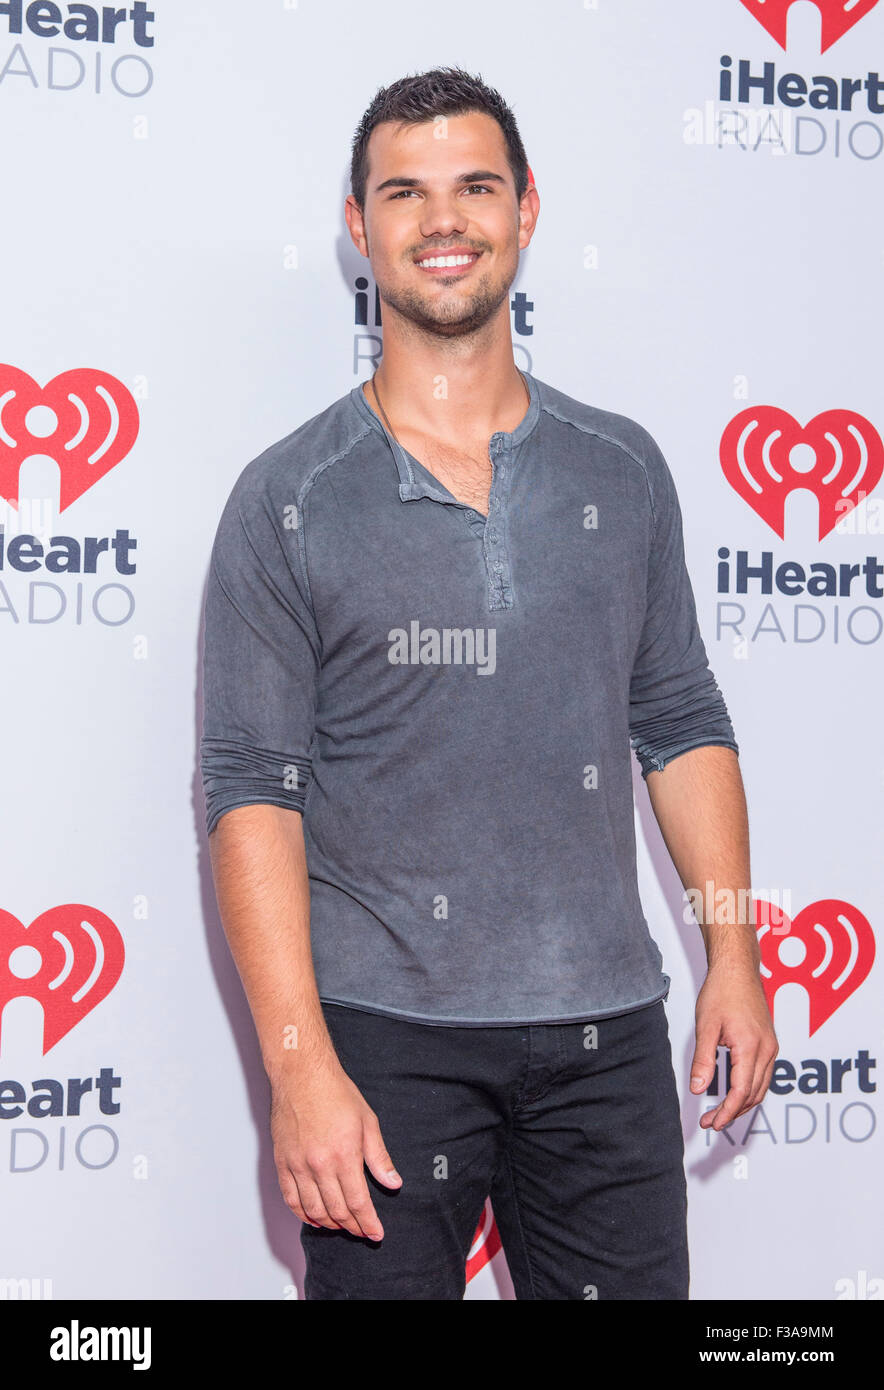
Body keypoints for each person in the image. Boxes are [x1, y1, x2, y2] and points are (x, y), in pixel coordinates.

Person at [200, 67, 778, 1301]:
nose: (440, 219)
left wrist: (734, 952)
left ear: (524, 208)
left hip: (604, 1040)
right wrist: (298, 1065)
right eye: (402, 192)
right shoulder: (287, 498)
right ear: (357, 228)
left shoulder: (620, 470)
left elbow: (676, 721)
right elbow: (251, 788)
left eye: (473, 186)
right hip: (377, 1046)